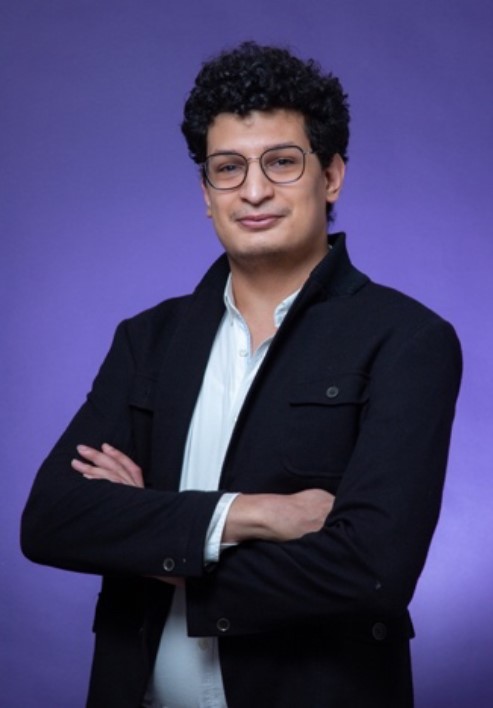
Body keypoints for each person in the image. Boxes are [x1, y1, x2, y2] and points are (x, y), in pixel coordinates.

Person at [21, 41, 462, 708]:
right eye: (228, 168)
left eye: (281, 162)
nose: (253, 191)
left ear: (331, 176)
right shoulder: (148, 340)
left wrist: (148, 534)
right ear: (206, 193)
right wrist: (256, 515)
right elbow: (53, 519)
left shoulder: (406, 339)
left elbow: (371, 570)